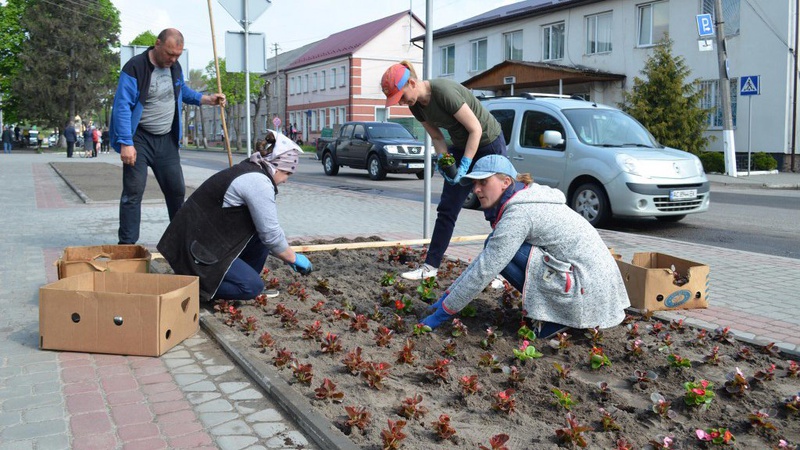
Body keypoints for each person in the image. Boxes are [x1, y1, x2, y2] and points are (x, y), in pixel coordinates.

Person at [420, 155, 630, 338]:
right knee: (497, 246)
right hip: (595, 290)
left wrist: (440, 315)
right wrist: (446, 297)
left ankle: (558, 319)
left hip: (585, 295)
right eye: (475, 183)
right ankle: (558, 313)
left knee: (502, 254)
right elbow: (486, 259)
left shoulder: (520, 214)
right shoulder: (527, 197)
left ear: (506, 182)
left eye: (483, 182)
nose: (476, 189)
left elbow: (485, 269)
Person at [381, 60, 507, 280]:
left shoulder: (443, 92)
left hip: (488, 142)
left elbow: (475, 129)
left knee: (496, 209)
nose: (401, 102)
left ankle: (500, 272)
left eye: (401, 96)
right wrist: (445, 159)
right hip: (461, 145)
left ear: (412, 82)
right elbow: (438, 137)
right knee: (447, 208)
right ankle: (430, 267)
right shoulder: (415, 106)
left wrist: (466, 165)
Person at [157, 131, 313, 302]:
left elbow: (267, 230)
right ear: (276, 167)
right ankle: (193, 288)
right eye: (287, 173)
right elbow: (271, 234)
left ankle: (227, 278)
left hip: (201, 241)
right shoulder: (258, 183)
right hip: (195, 250)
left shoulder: (253, 169)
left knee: (259, 238)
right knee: (250, 287)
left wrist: (285, 253)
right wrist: (292, 257)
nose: (286, 180)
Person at [109, 28, 226, 245]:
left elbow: (182, 92)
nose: (173, 59)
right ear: (157, 44)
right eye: (170, 54)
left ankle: (181, 241)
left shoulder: (175, 68)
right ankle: (126, 245)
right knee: (133, 192)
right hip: (139, 140)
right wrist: (126, 142)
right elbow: (122, 106)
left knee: (176, 190)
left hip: (165, 140)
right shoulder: (135, 67)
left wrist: (208, 99)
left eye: (177, 56)